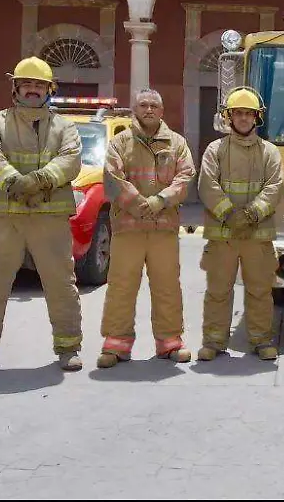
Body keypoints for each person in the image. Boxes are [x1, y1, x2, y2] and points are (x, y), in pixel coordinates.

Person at [0, 57, 84, 377]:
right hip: (6, 216)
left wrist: (39, 181)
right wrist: (15, 182)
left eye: (39, 85)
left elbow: (70, 160)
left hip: (50, 217)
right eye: (26, 84)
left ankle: (68, 347)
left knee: (61, 284)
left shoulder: (64, 126)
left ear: (49, 90)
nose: (32, 90)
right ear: (15, 88)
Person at [96, 89, 197, 369]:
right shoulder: (119, 143)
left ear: (162, 112)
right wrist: (140, 204)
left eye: (154, 105)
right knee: (121, 286)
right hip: (128, 228)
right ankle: (116, 344)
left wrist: (160, 201)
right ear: (134, 110)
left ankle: (170, 342)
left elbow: (186, 176)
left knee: (167, 286)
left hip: (163, 229)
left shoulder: (177, 144)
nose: (149, 110)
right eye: (143, 105)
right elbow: (112, 177)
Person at [196, 87, 284, 362]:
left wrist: (250, 215)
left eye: (248, 113)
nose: (243, 118)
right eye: (238, 113)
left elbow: (275, 186)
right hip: (223, 236)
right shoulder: (215, 150)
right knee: (218, 291)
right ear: (229, 117)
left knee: (260, 291)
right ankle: (213, 341)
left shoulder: (270, 152)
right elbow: (206, 185)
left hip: (257, 236)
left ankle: (261, 340)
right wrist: (230, 215)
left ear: (256, 118)